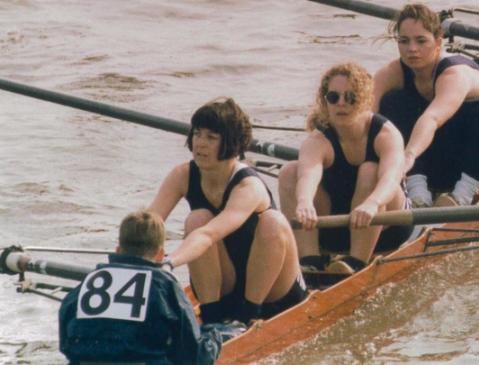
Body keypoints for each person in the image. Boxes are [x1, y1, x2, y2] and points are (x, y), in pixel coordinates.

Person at [148, 98, 306, 326]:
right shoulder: (182, 175)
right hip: (228, 285)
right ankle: (212, 317)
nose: (200, 144)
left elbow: (209, 235)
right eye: (197, 134)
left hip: (274, 290)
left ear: (231, 143)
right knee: (197, 218)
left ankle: (249, 316)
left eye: (211, 138)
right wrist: (128, 256)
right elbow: (148, 225)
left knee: (273, 221)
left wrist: (170, 262)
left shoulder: (248, 186)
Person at [374, 4, 479, 208]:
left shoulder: (455, 74)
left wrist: (408, 155)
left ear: (438, 41)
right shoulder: (392, 72)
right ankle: (418, 193)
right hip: (444, 162)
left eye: (421, 41)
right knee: (392, 101)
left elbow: (432, 119)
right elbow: (364, 112)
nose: (412, 49)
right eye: (404, 41)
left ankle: (461, 197)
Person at [278, 63, 410, 275]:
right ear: (325, 100)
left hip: (386, 225)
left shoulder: (385, 134)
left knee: (369, 170)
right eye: (333, 97)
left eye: (350, 98)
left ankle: (356, 263)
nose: (341, 104)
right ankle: (310, 260)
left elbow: (391, 178)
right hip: (337, 225)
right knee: (289, 171)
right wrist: (303, 201)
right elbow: (308, 175)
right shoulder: (318, 139)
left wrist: (372, 203)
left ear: (365, 100)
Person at [59, 209, 222, 365]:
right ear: (160, 255)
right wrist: (214, 334)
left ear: (118, 250)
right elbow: (193, 357)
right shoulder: (164, 285)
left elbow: (65, 345)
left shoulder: (86, 284)